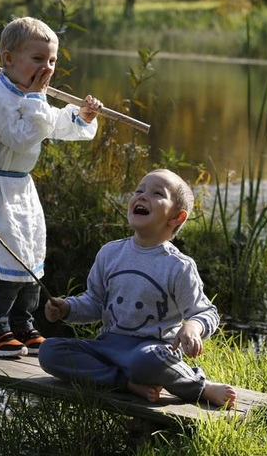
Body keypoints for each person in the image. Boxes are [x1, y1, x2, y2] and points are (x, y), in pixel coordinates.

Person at [0, 16, 102, 357]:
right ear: (8, 59)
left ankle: (21, 323)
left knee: (31, 256)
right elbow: (24, 137)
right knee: (10, 257)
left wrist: (81, 117)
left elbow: (49, 123)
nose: (47, 68)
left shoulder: (29, 93)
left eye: (52, 60)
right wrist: (38, 97)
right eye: (38, 59)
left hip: (19, 187)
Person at [38, 169, 238, 408]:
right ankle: (126, 383)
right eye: (139, 190)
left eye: (156, 193)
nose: (142, 196)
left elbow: (206, 312)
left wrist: (193, 327)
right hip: (107, 346)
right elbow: (95, 302)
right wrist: (68, 308)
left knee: (148, 362)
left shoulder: (178, 266)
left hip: (150, 351)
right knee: (49, 351)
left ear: (176, 217)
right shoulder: (110, 253)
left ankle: (199, 387)